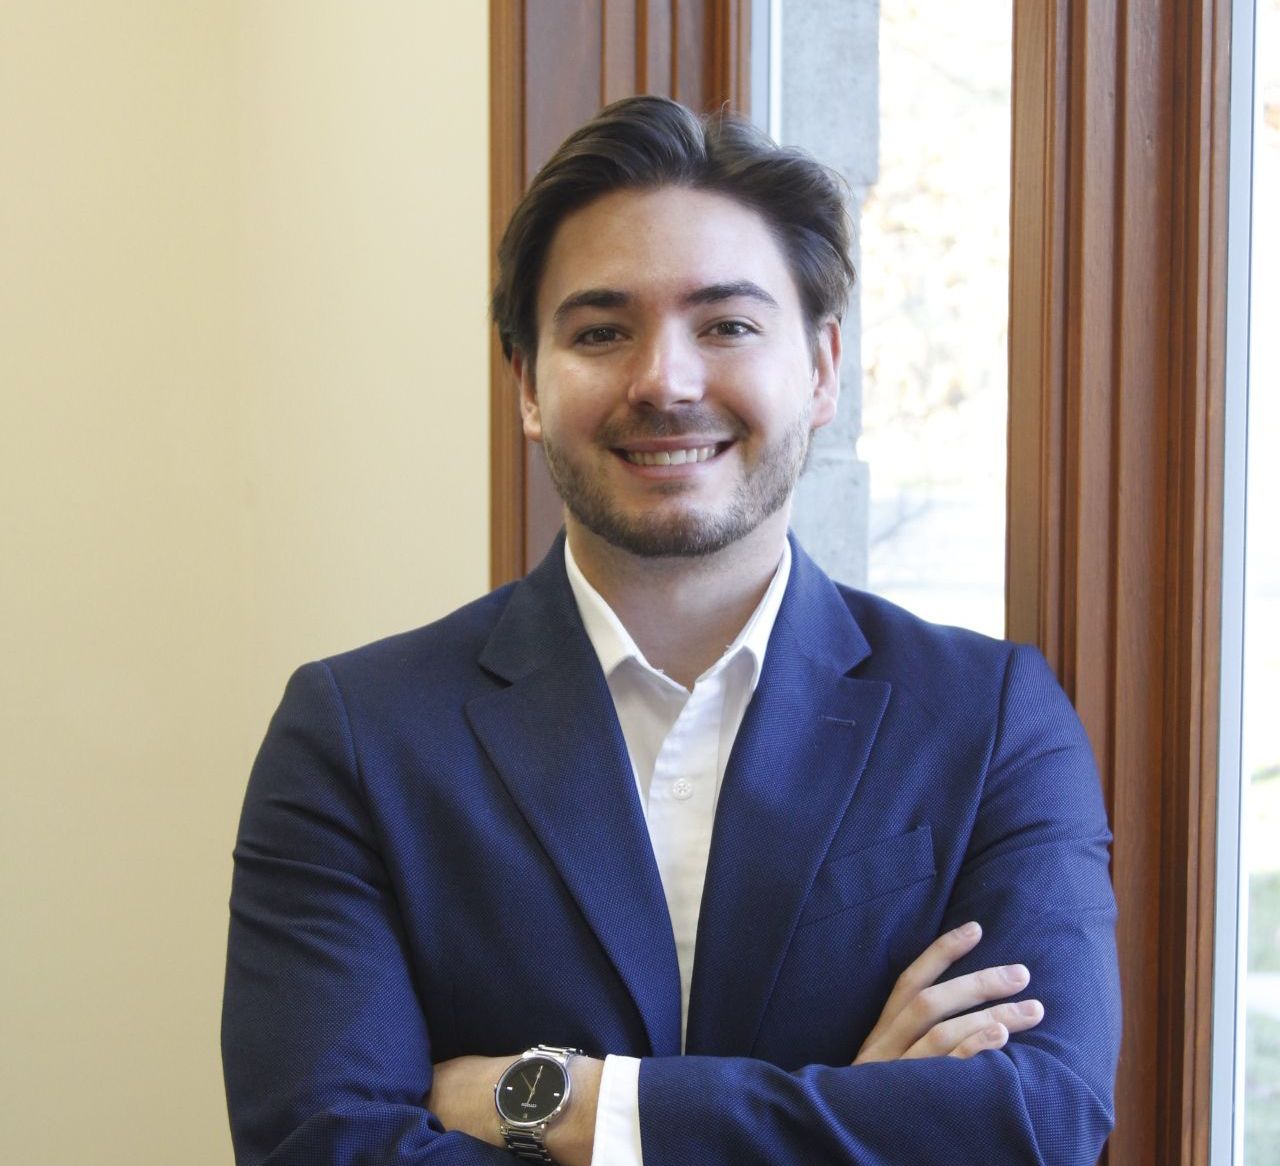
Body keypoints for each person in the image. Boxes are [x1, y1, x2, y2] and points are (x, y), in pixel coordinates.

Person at [222, 96, 1121, 1166]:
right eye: (601, 331)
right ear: (525, 384)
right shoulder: (357, 735)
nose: (663, 381)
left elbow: (1036, 1119)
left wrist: (564, 1104)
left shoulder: (990, 719)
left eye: (727, 325)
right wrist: (859, 1114)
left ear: (823, 368)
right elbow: (325, 1152)